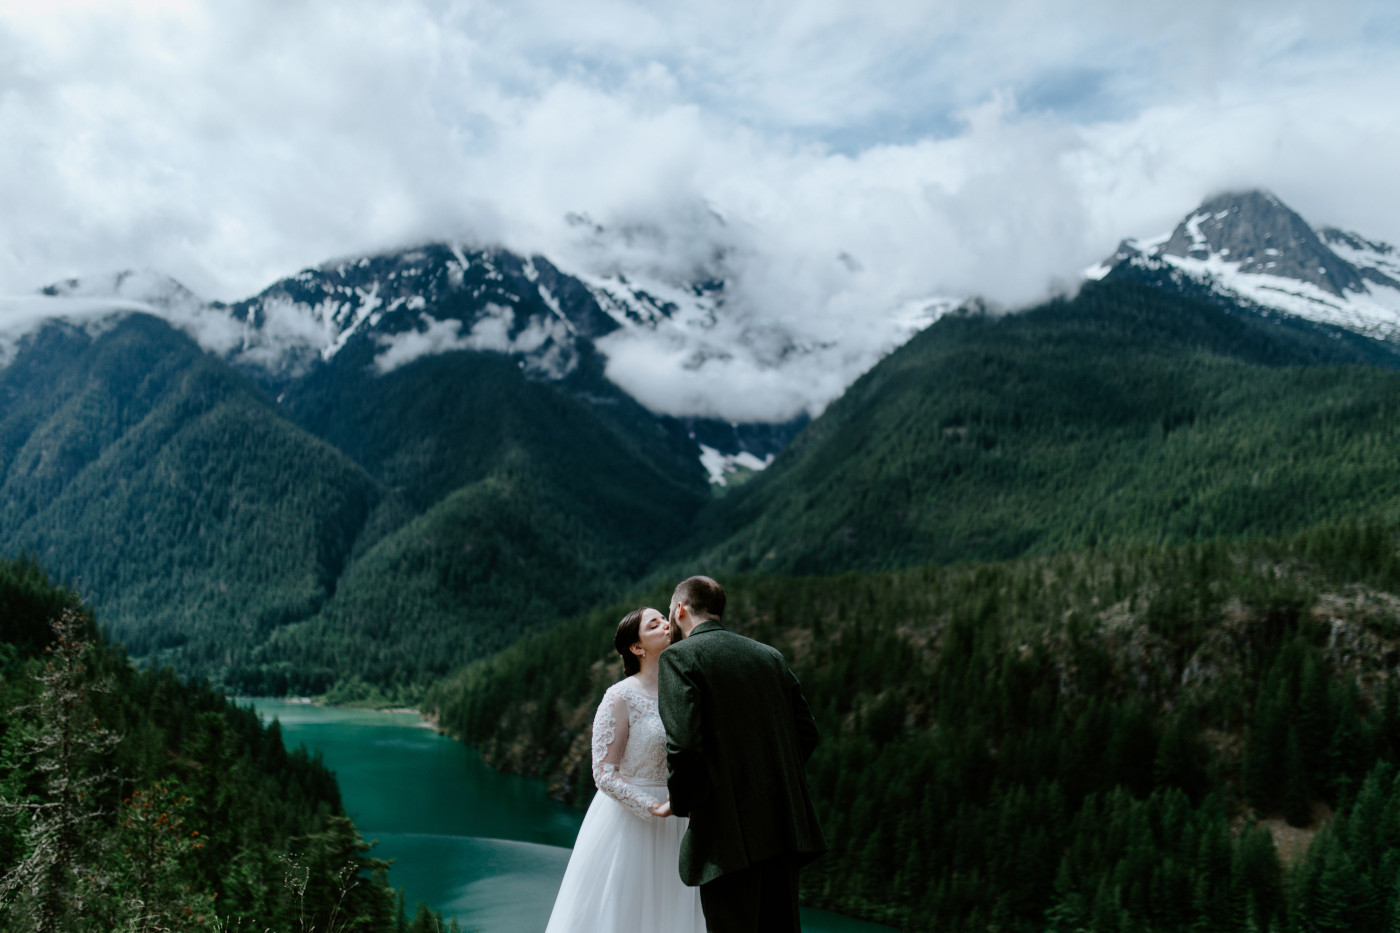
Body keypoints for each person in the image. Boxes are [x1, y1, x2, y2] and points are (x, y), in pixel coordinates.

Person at [659, 575, 826, 932]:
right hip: (783, 825)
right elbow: (807, 733)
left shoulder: (679, 657)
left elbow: (685, 744)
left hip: (726, 835)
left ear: (680, 609)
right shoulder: (770, 656)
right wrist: (770, 777)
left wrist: (684, 800)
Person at [544, 607, 706, 933]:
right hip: (630, 822)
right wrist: (653, 807)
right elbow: (603, 772)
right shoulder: (620, 696)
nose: (665, 623)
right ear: (637, 647)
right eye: (654, 623)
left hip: (682, 821)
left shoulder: (686, 690)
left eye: (665, 618)